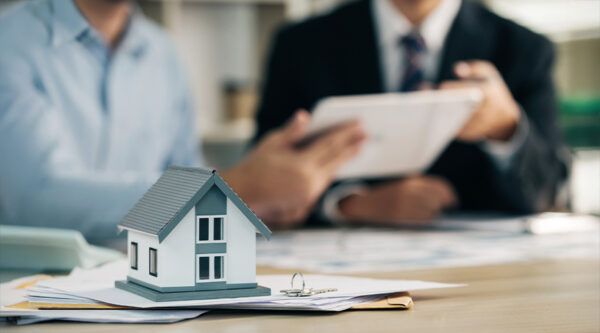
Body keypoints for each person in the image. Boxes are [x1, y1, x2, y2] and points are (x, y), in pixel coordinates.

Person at [0, 0, 365, 241]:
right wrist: (234, 185)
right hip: (34, 298)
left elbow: (185, 194)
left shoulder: (163, 53)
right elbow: (36, 198)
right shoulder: (10, 42)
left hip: (146, 292)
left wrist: (265, 203)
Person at [254, 0, 570, 226]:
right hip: (340, 266)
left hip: (485, 279)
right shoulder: (300, 46)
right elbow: (262, 178)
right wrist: (350, 204)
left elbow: (551, 193)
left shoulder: (524, 48)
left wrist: (507, 128)